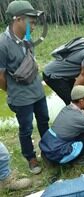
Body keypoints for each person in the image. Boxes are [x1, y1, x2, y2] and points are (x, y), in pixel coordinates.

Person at [0, 1, 49, 174]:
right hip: (21, 97)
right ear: (18, 19)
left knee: (44, 121)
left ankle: (48, 151)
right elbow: (0, 77)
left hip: (38, 91)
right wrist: (13, 91)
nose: (34, 25)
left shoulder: (28, 38)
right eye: (31, 20)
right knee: (26, 128)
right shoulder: (2, 43)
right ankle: (31, 158)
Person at [39, 85, 84, 165]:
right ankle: (80, 159)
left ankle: (50, 159)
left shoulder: (67, 108)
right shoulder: (80, 118)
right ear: (81, 101)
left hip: (48, 148)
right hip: (58, 153)